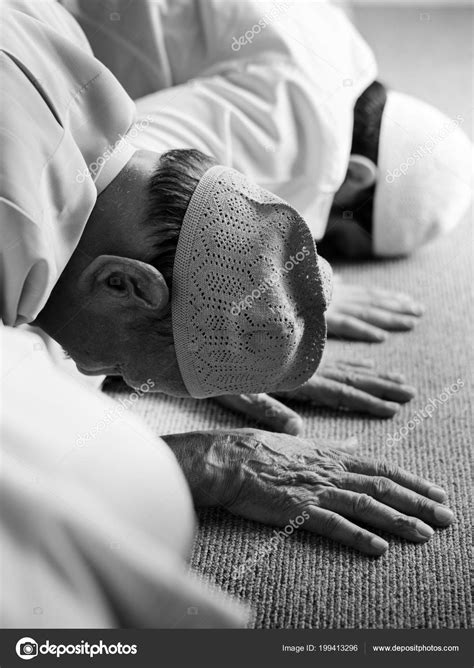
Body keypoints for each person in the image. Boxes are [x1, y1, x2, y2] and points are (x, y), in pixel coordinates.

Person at [0, 0, 454, 618]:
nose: (123, 385)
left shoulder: (62, 48)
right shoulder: (13, 230)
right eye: (139, 375)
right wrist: (207, 461)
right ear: (125, 286)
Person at [63, 0, 472, 429]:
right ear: (354, 175)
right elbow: (107, 178)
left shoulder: (339, 40)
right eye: (335, 240)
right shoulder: (289, 133)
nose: (317, 250)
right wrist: (211, 343)